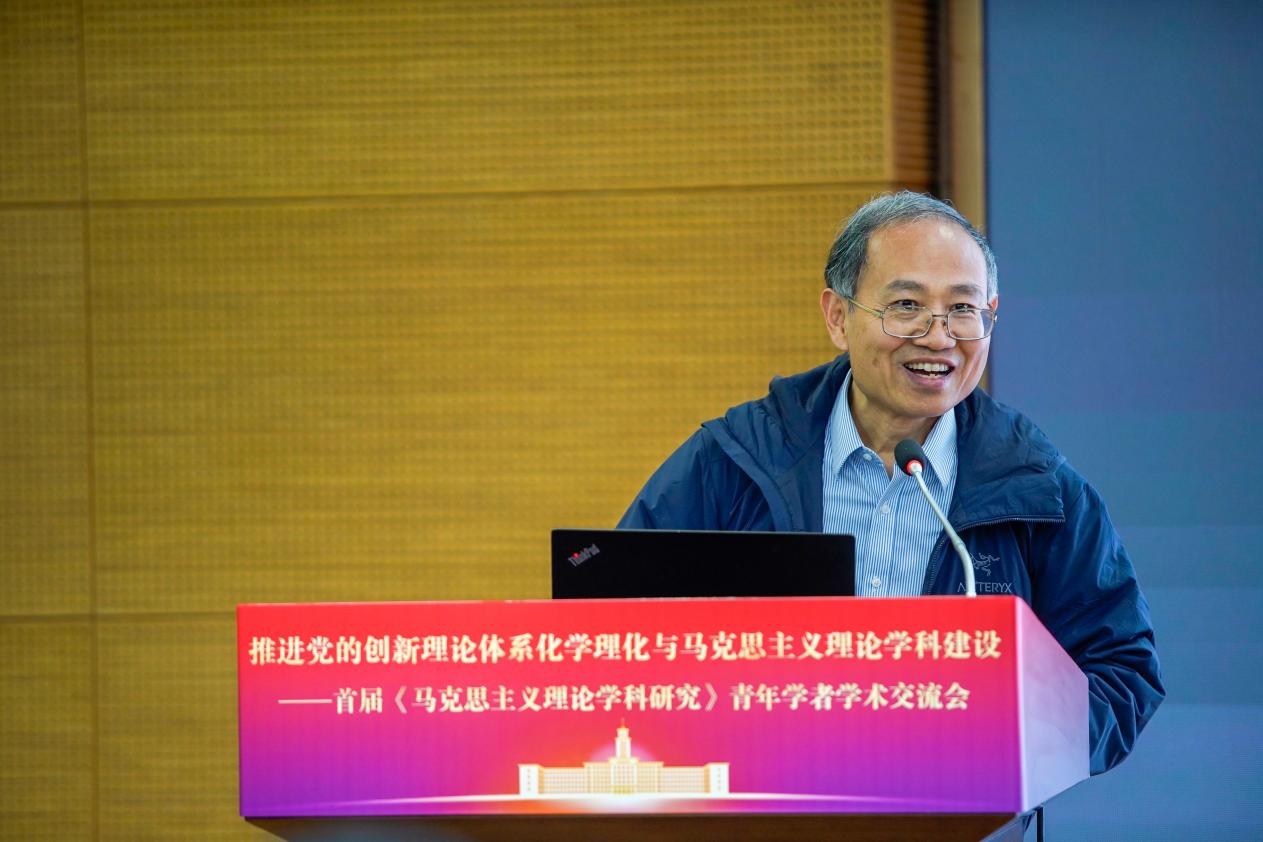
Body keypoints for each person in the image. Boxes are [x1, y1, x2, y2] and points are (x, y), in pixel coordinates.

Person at [618, 191, 1163, 774]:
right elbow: (617, 628)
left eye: (962, 309)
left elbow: (1118, 670)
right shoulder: (736, 459)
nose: (939, 337)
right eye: (907, 305)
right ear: (837, 316)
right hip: (771, 801)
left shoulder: (1036, 486)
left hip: (956, 809)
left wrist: (1004, 747)